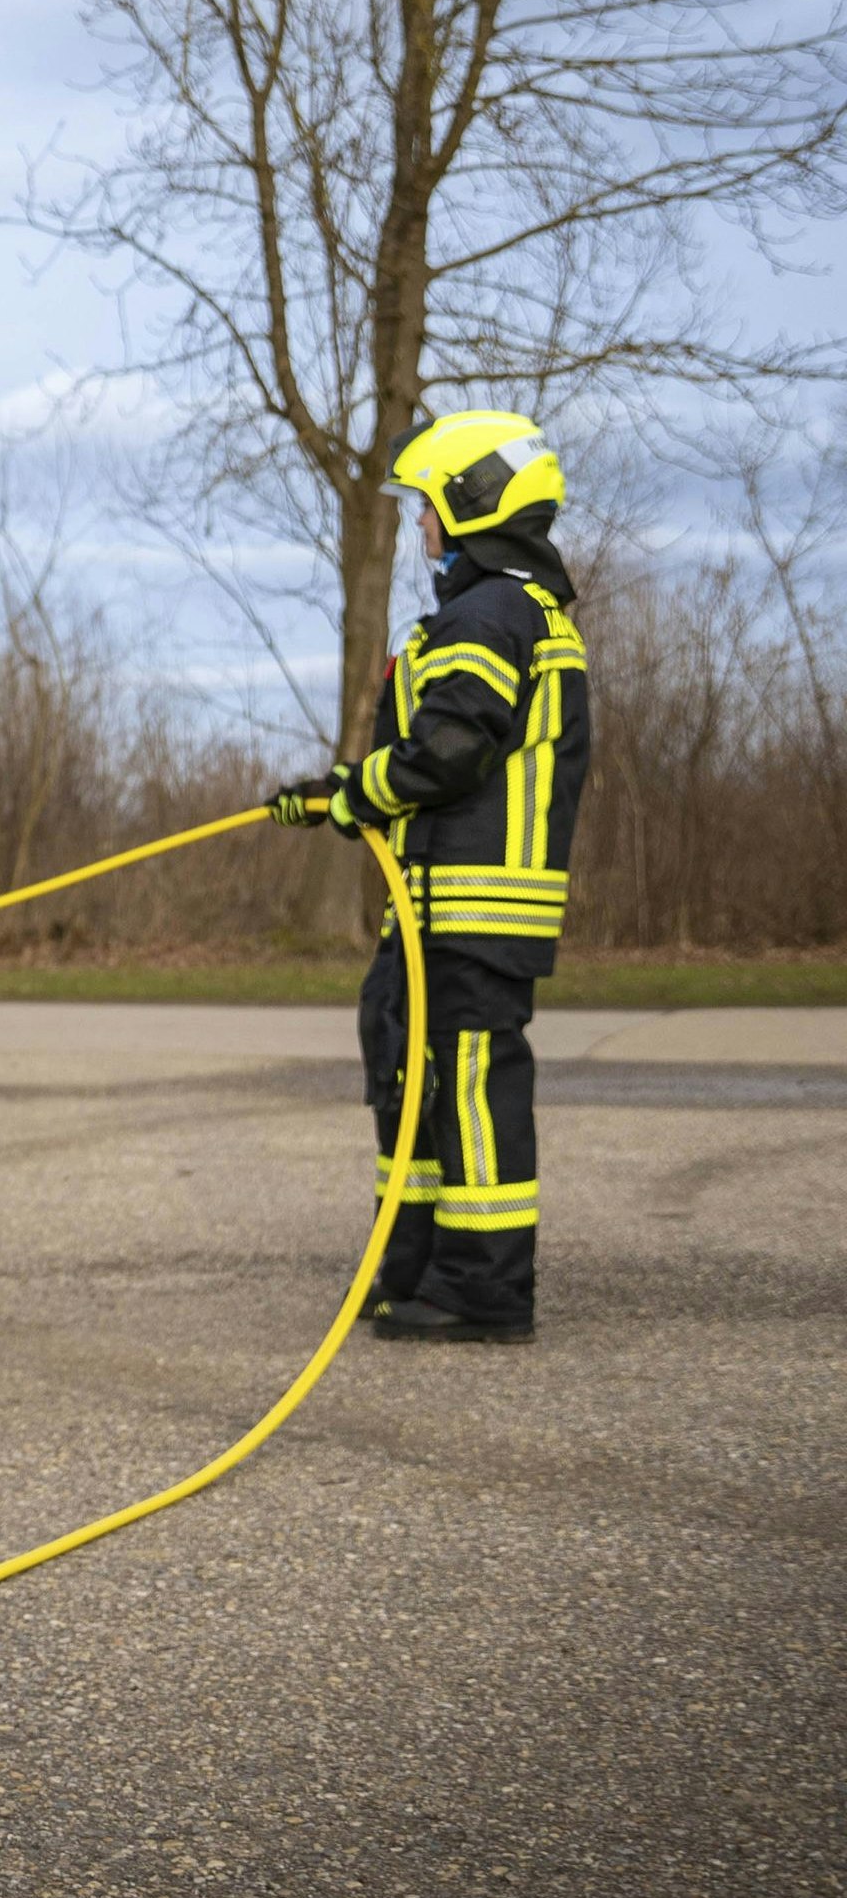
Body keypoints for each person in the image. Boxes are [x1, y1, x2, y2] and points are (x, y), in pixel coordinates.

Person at [266, 411, 588, 1344]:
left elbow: (447, 749)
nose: (419, 528)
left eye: (425, 509)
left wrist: (351, 794)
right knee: (410, 1072)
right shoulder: (504, 608)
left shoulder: (490, 612)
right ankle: (405, 1264)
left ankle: (483, 1289)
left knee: (473, 1086)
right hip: (434, 905)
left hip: (472, 906)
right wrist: (340, 794)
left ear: (468, 503)